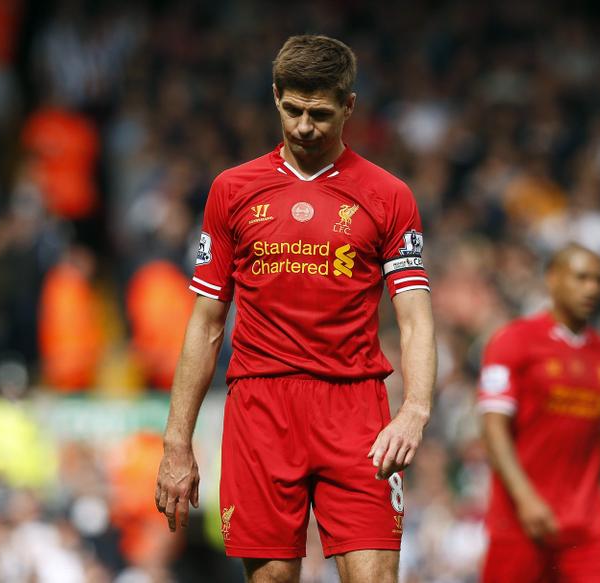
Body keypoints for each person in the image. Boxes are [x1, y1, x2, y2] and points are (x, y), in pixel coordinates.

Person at [154, 35, 435, 583]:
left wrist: (415, 410)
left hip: (355, 411)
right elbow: (206, 323)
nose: (305, 126)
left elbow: (416, 316)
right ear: (275, 96)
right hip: (261, 406)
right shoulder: (231, 191)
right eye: (293, 109)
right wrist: (176, 443)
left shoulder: (388, 195)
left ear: (349, 106)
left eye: (322, 114)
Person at [478, 244, 600, 582]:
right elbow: (492, 428)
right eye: (581, 278)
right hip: (520, 519)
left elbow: (592, 437)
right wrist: (526, 499)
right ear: (552, 280)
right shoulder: (514, 341)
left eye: (598, 280)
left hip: (584, 524)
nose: (592, 289)